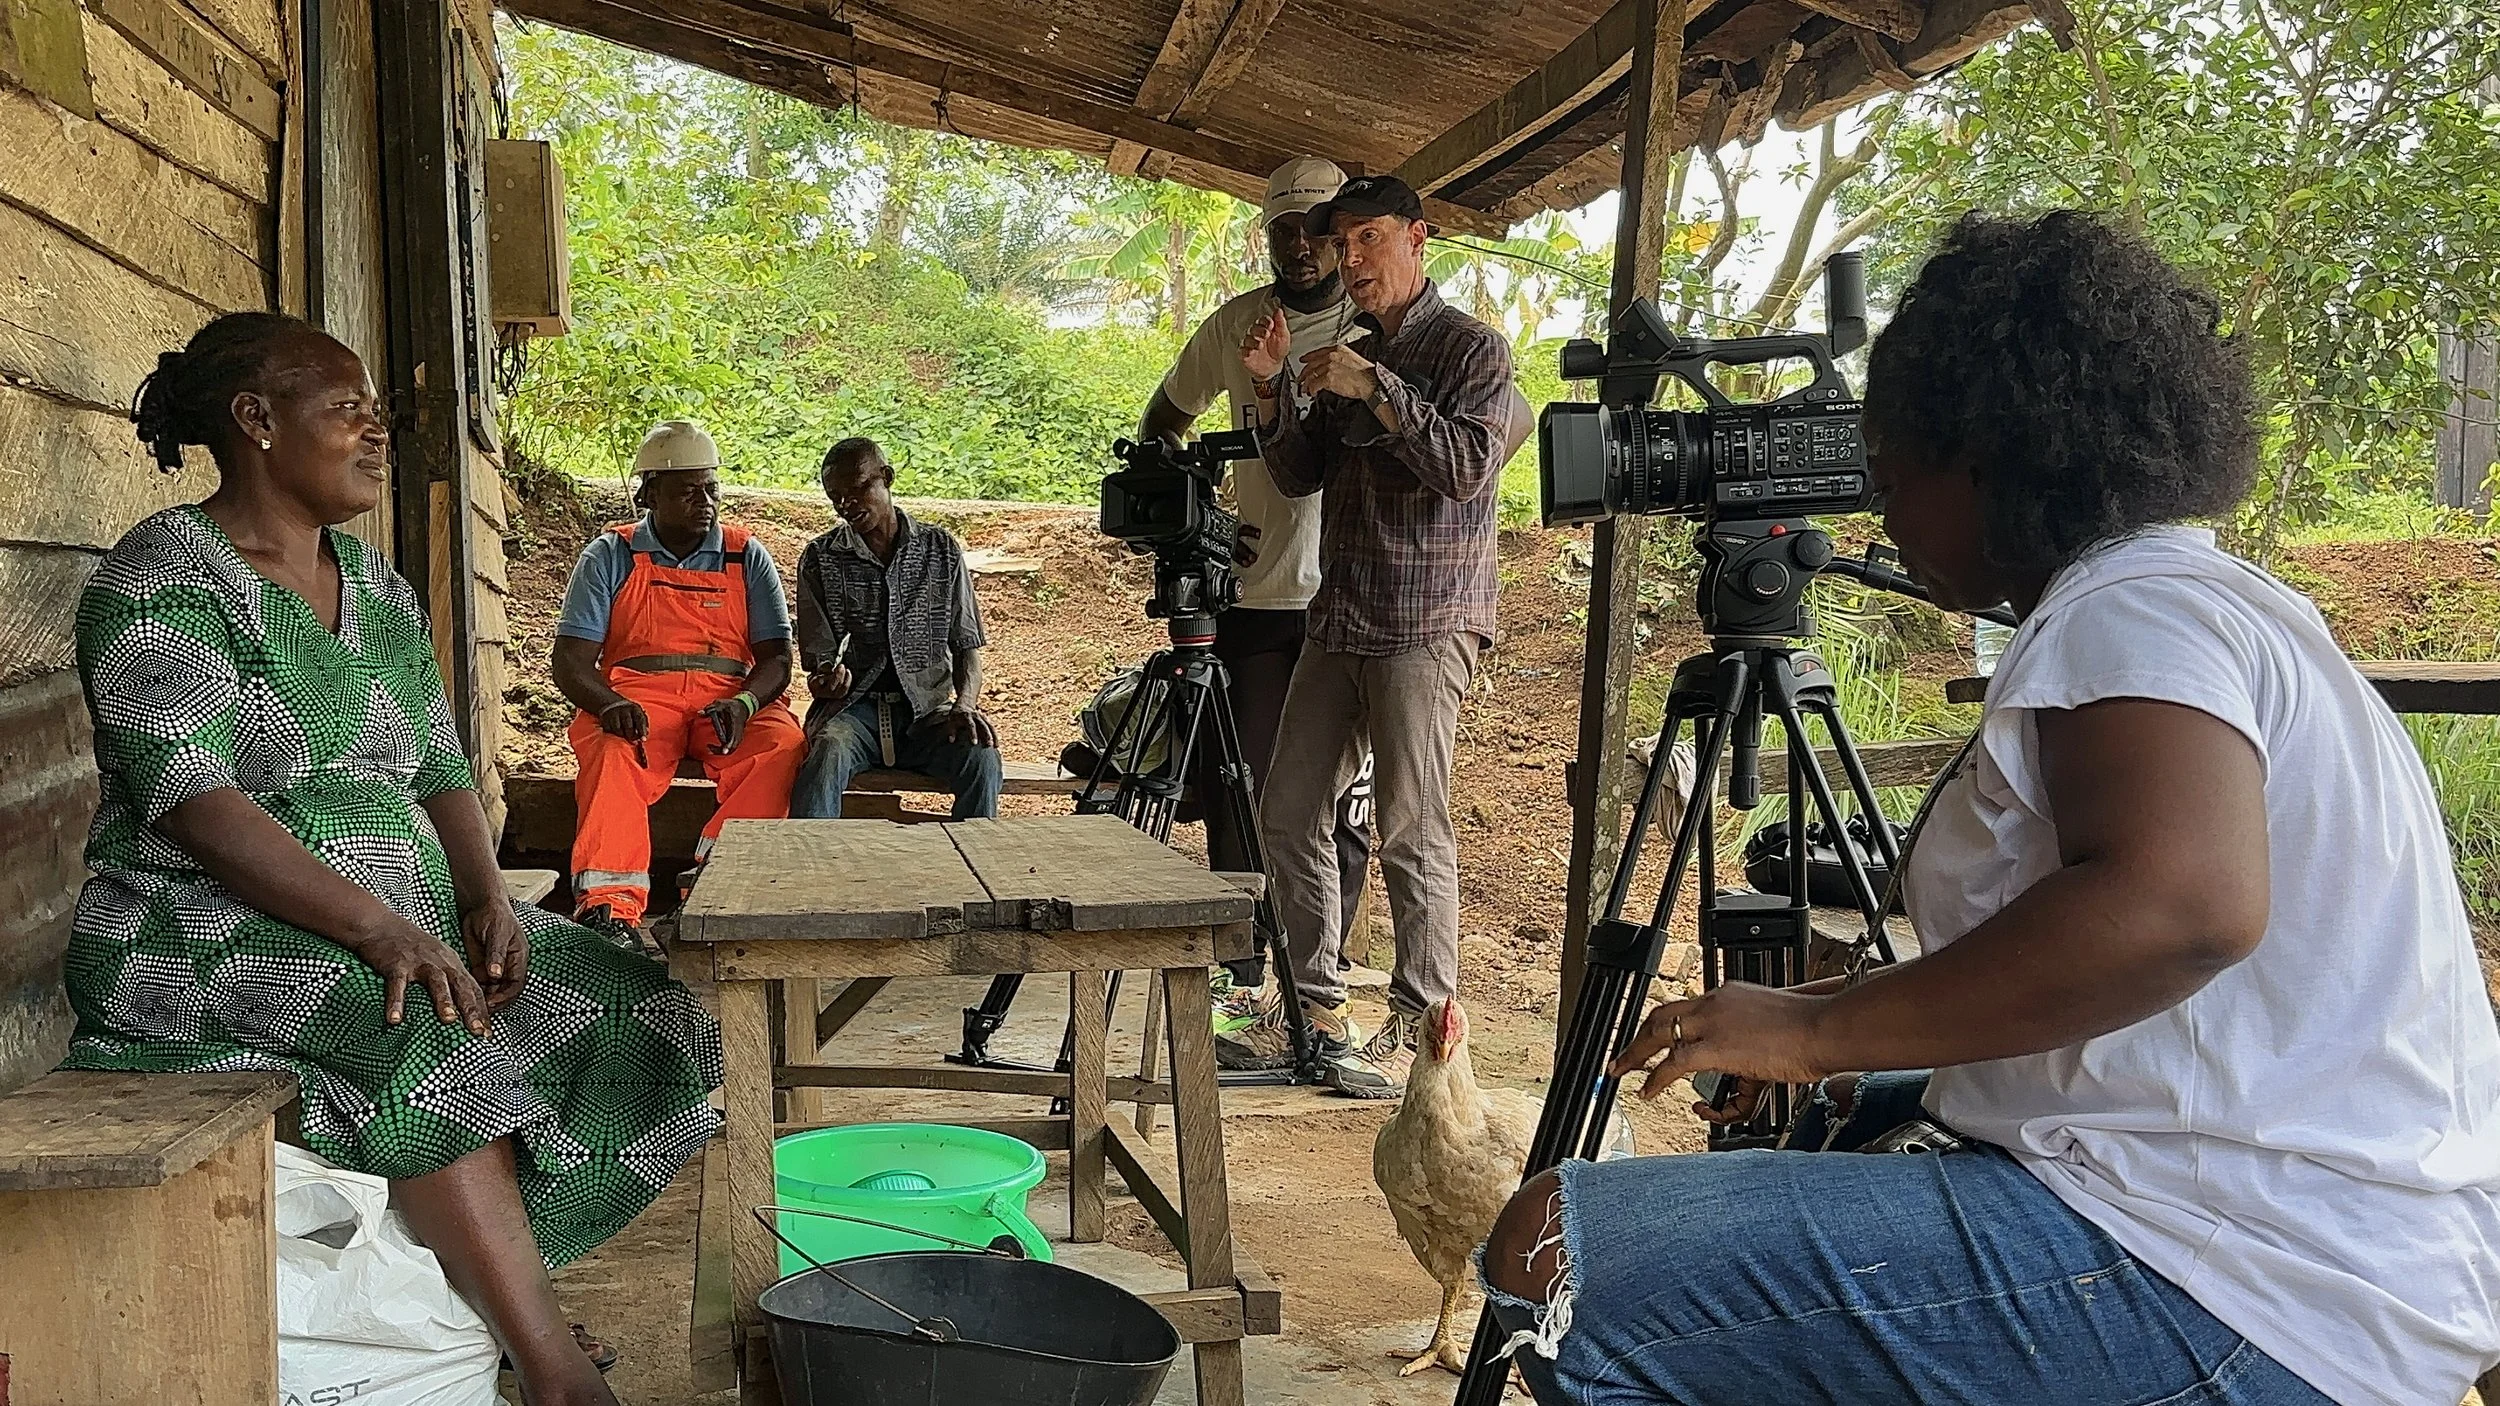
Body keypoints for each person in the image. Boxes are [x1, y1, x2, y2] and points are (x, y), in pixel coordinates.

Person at [1479, 212, 2500, 1406]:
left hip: (2247, 1279)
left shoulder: (2131, 611)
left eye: (1892, 473)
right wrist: (1822, 1022)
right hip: (2319, 1238)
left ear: (1983, 459)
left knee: (1555, 1248)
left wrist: (1816, 1035)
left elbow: (2181, 908)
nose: (1882, 513)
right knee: (1855, 1109)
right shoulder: (2214, 600)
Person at [67, 312, 720, 1406]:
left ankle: (484, 1296)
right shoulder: (161, 578)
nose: (377, 432)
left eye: (377, 411)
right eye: (346, 410)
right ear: (256, 421)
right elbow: (197, 804)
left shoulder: (374, 588)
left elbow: (438, 762)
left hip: (399, 922)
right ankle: (551, 1366)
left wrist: (486, 898)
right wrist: (383, 929)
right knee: (420, 1025)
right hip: (190, 931)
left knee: (633, 999)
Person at [1235, 173, 1516, 1098]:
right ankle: (1313, 1012)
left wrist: (1377, 385)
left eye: (1367, 239)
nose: (1348, 259)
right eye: (1339, 243)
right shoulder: (1351, 345)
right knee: (1287, 811)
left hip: (1426, 623)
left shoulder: (1471, 347)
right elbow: (1301, 473)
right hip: (1342, 618)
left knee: (1409, 829)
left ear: (1416, 237)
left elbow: (1468, 467)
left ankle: (1421, 1030)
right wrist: (1272, 388)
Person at [1138, 155, 1380, 1029]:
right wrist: (1202, 509)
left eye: (1318, 229)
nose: (1302, 246)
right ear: (1268, 237)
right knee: (1239, 784)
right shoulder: (1237, 324)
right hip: (1255, 599)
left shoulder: (1374, 325)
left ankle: (1318, 987)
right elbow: (1164, 420)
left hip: (1352, 601)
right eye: (1285, 231)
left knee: (1341, 801)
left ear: (1342, 236)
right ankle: (1243, 971)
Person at [552, 420, 806, 943]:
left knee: (782, 746)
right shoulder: (611, 555)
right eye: (688, 491)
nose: (705, 502)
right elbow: (570, 662)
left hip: (729, 702)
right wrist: (608, 704)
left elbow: (777, 658)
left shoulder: (745, 555)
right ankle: (608, 910)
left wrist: (746, 704)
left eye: (711, 488)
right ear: (648, 494)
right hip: (640, 700)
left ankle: (716, 894)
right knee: (613, 751)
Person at [789, 437, 1001, 820]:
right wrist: (826, 680)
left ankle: (973, 854)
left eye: (858, 489)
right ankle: (811, 856)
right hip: (853, 713)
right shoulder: (820, 558)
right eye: (836, 497)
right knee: (828, 752)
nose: (846, 505)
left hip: (928, 714)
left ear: (886, 477)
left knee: (981, 756)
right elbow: (819, 661)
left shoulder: (940, 550)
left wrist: (965, 705)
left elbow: (967, 645)